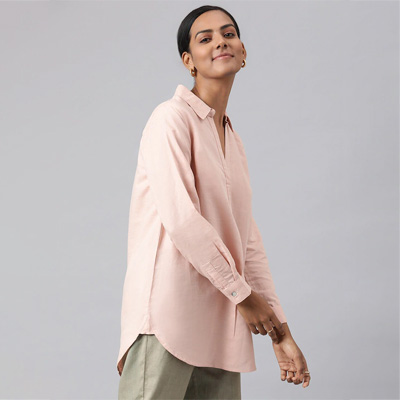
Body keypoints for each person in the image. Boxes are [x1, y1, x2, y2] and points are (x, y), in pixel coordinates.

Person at [117, 5, 310, 399]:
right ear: (188, 61)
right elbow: (182, 220)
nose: (220, 41)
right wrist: (243, 296)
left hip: (221, 326)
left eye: (229, 33)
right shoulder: (170, 119)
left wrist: (280, 331)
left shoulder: (232, 141)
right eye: (205, 38)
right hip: (169, 318)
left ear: (243, 51)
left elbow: (247, 241)